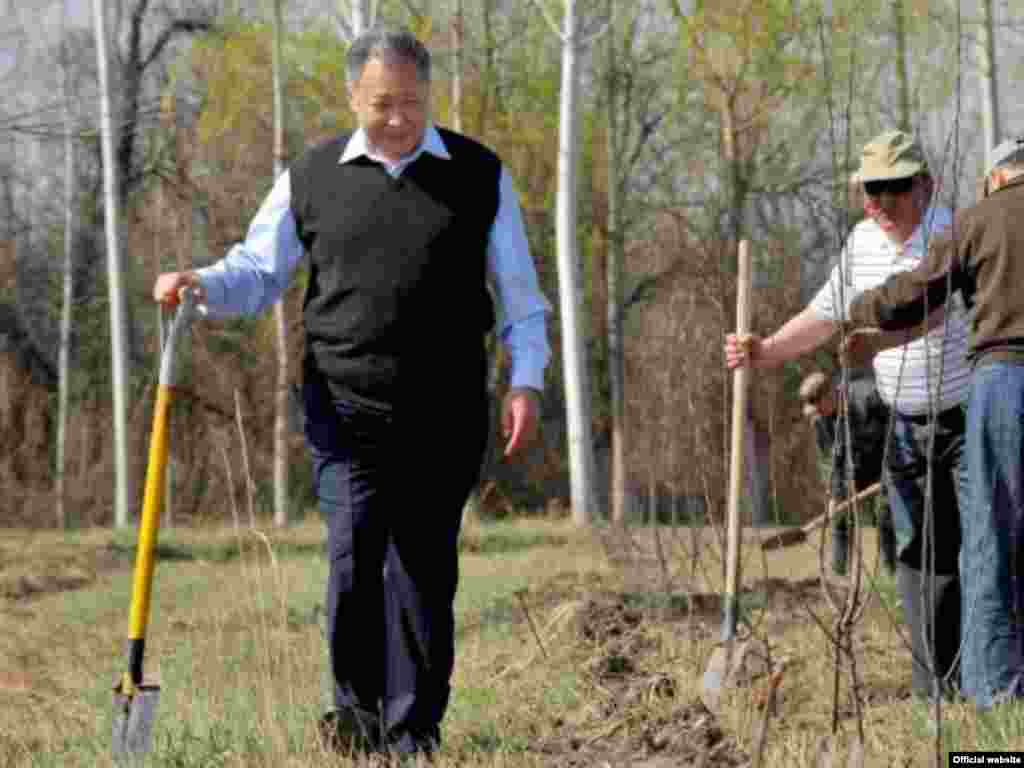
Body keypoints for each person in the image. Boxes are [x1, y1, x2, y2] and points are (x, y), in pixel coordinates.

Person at [153, 27, 551, 756]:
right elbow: (258, 272)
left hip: (446, 408)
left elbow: (522, 297)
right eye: (381, 104)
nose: (398, 119)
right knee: (353, 553)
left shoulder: (478, 174)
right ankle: (356, 717)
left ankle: (412, 732)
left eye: (412, 102)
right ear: (351, 98)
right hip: (343, 405)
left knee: (422, 567)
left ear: (430, 95)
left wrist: (527, 380)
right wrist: (200, 285)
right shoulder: (311, 177)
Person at [724, 129, 972, 700]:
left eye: (890, 188)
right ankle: (937, 691)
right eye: (869, 190)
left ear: (924, 186)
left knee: (978, 549)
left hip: (966, 417)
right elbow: (825, 313)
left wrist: (880, 345)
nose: (877, 203)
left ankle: (992, 685)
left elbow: (936, 312)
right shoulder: (862, 242)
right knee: (918, 553)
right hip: (902, 426)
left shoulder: (951, 234)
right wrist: (765, 350)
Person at [844, 134, 1024, 710]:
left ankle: (995, 699)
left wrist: (859, 311)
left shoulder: (979, 219)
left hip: (1004, 381)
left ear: (995, 177)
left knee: (990, 541)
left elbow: (914, 294)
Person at [799, 369, 896, 577]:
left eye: (818, 406)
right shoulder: (822, 420)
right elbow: (835, 459)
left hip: (887, 464)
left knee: (884, 514)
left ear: (829, 394)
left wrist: (890, 472)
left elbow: (895, 431)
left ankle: (893, 572)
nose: (817, 413)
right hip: (855, 468)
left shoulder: (867, 397)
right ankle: (839, 574)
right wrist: (836, 494)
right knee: (840, 516)